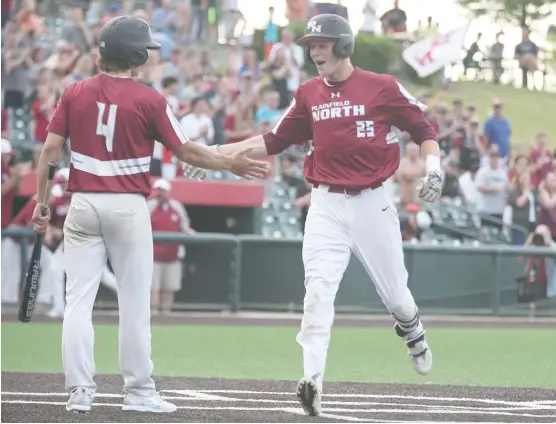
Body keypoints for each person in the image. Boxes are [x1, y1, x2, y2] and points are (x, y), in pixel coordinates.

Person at [183, 13, 444, 417]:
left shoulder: (382, 87)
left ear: (342, 45)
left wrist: (434, 169)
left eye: (321, 44)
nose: (315, 51)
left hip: (373, 203)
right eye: (311, 45)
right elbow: (273, 140)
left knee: (397, 297)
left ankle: (411, 328)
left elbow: (425, 130)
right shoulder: (308, 93)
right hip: (324, 204)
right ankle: (312, 381)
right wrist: (217, 152)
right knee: (318, 293)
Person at [31, 15, 269, 414]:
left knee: (78, 303)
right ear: (137, 55)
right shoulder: (150, 99)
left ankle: (79, 392)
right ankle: (139, 392)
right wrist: (229, 164)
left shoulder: (74, 92)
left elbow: (49, 153)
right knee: (134, 305)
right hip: (127, 206)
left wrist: (41, 203)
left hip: (83, 204)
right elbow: (188, 151)